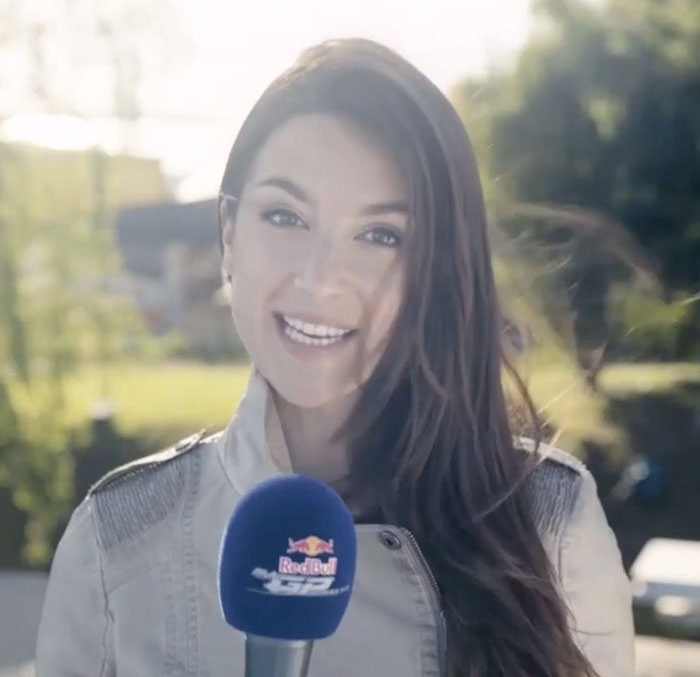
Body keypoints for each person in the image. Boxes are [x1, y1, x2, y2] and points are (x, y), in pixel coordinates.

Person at [36, 39, 634, 676]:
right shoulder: (118, 544)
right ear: (229, 234)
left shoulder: (552, 524)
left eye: (380, 235)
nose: (321, 279)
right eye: (285, 217)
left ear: (434, 271)